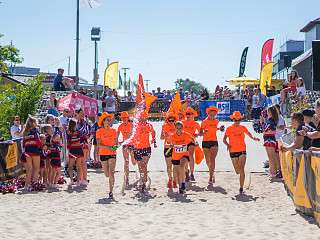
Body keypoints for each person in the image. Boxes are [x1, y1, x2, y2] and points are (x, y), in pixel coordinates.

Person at [223, 111, 260, 194]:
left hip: (242, 150)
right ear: (233, 120)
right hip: (232, 151)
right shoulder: (229, 129)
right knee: (237, 171)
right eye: (235, 120)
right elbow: (224, 139)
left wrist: (254, 138)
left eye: (239, 120)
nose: (237, 121)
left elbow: (249, 134)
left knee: (242, 169)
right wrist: (228, 145)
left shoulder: (242, 127)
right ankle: (243, 180)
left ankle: (241, 188)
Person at [200, 106, 224, 184]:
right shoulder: (204, 122)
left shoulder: (216, 121)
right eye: (211, 114)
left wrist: (220, 129)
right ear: (208, 113)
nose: (213, 115)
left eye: (214, 114)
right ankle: (212, 173)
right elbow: (200, 133)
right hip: (205, 142)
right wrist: (204, 132)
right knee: (207, 161)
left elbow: (215, 128)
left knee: (212, 159)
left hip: (214, 141)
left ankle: (210, 177)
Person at [132, 111, 156, 192]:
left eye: (144, 117)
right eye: (141, 117)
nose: (143, 119)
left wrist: (153, 138)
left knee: (144, 165)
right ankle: (143, 179)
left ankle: (144, 182)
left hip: (146, 148)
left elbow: (153, 132)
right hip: (137, 148)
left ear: (146, 118)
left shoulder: (149, 125)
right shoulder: (136, 126)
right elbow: (132, 135)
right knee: (140, 166)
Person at [96, 112, 118, 199]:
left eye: (109, 120)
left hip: (112, 154)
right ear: (103, 121)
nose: (108, 122)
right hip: (103, 154)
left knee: (111, 173)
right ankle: (110, 185)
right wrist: (108, 147)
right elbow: (98, 145)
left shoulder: (114, 130)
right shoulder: (99, 131)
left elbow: (116, 144)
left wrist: (115, 147)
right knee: (107, 174)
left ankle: (111, 192)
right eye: (107, 120)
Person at [169, 121, 194, 194]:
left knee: (182, 166)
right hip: (175, 156)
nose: (179, 130)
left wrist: (195, 142)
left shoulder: (186, 135)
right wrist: (170, 145)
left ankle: (183, 184)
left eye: (180, 128)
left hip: (184, 155)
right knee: (177, 174)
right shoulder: (172, 136)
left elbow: (192, 139)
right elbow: (168, 143)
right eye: (177, 128)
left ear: (182, 128)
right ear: (175, 128)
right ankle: (180, 187)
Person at [22, 116, 42, 191]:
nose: (37, 123)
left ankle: (26, 185)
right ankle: (34, 184)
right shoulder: (35, 130)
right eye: (36, 122)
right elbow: (38, 140)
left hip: (27, 151)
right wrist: (40, 146)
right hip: (34, 150)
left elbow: (23, 143)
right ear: (33, 123)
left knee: (29, 169)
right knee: (36, 168)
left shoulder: (25, 132)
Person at [117, 111, 136, 187]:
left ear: (128, 118)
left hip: (132, 145)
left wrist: (124, 140)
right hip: (125, 145)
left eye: (125, 118)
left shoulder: (132, 125)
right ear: (121, 119)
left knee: (134, 162)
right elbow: (116, 136)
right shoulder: (120, 126)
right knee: (126, 162)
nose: (124, 119)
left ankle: (138, 169)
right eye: (123, 118)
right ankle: (127, 178)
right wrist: (117, 142)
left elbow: (132, 135)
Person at [182, 107, 200, 182]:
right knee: (185, 158)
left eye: (190, 114)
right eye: (187, 114)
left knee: (191, 156)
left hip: (191, 141)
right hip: (183, 142)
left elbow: (200, 132)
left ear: (193, 115)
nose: (188, 115)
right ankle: (186, 172)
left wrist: (197, 135)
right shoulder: (182, 122)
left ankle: (192, 173)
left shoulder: (196, 123)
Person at [262, 106, 280, 179]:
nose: (266, 112)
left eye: (267, 111)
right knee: (271, 157)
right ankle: (273, 171)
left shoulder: (271, 120)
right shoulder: (271, 119)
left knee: (271, 157)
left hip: (269, 139)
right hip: (269, 138)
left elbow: (272, 130)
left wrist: (265, 131)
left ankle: (273, 172)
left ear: (270, 112)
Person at [160, 112, 177, 189]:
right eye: (170, 120)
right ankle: (170, 179)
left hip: (176, 148)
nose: (171, 121)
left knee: (175, 166)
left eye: (173, 120)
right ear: (167, 120)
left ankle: (174, 180)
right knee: (169, 166)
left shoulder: (178, 126)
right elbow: (161, 138)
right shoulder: (164, 126)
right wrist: (164, 135)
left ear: (175, 120)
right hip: (167, 147)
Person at [66, 118, 85, 187]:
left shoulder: (78, 132)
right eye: (76, 124)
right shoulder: (69, 132)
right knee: (73, 166)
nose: (77, 125)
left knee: (77, 166)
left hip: (76, 150)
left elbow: (83, 139)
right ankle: (73, 180)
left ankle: (77, 181)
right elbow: (68, 142)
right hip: (74, 150)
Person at [75, 108, 91, 185]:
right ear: (77, 114)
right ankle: (80, 179)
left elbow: (89, 133)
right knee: (78, 162)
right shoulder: (74, 122)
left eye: (83, 113)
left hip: (83, 143)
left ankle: (84, 179)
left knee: (83, 162)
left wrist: (85, 136)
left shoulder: (85, 123)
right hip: (76, 144)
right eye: (80, 113)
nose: (82, 114)